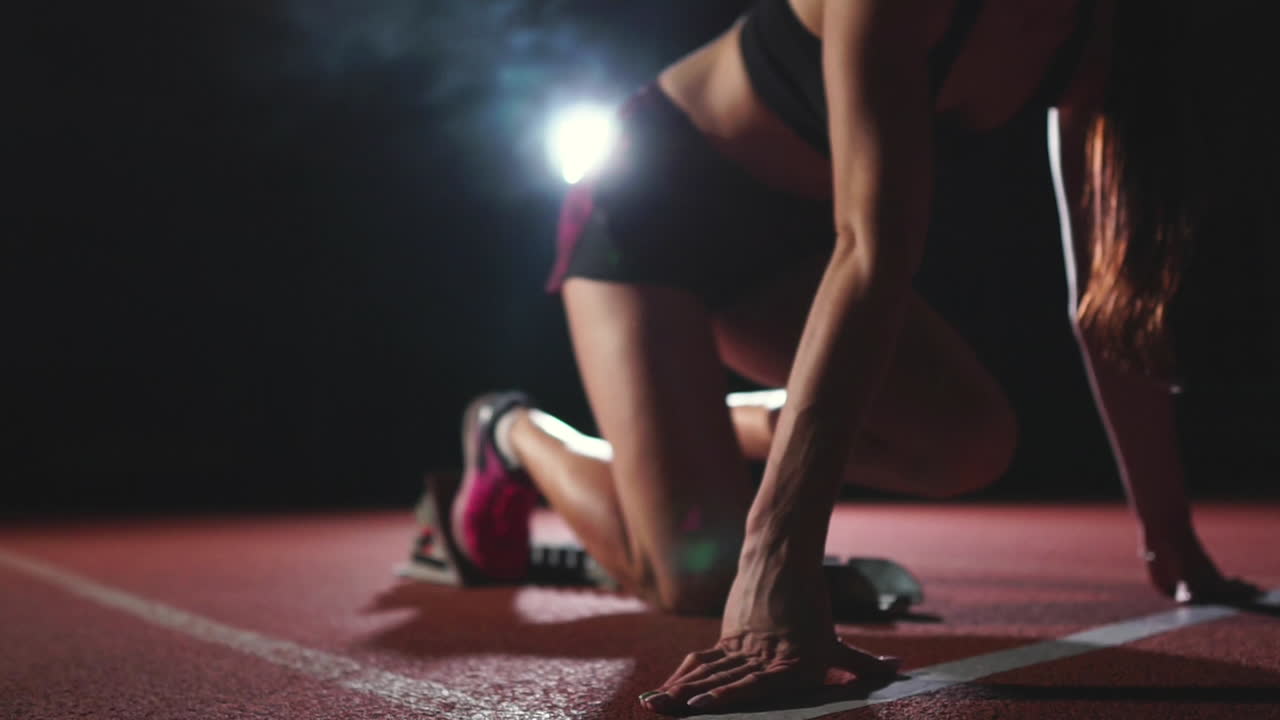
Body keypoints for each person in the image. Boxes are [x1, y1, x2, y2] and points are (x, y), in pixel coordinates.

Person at [443, 0, 1262, 713]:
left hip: (796, 244)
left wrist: (1172, 539)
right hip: (655, 209)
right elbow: (873, 251)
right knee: (700, 577)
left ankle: (687, 433)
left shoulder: (1100, 32)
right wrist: (775, 566)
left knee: (969, 443)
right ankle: (512, 433)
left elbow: (1107, 303)